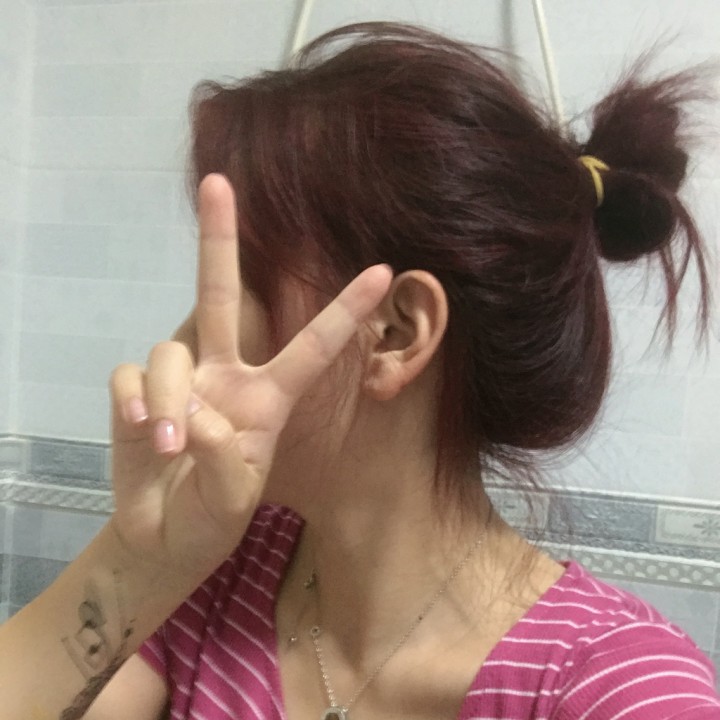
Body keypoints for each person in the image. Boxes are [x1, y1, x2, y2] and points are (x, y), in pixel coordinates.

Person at [1, 21, 718, 720]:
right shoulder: (214, 570)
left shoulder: (620, 692)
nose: (181, 345)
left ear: (396, 334)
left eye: (240, 280)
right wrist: (139, 558)